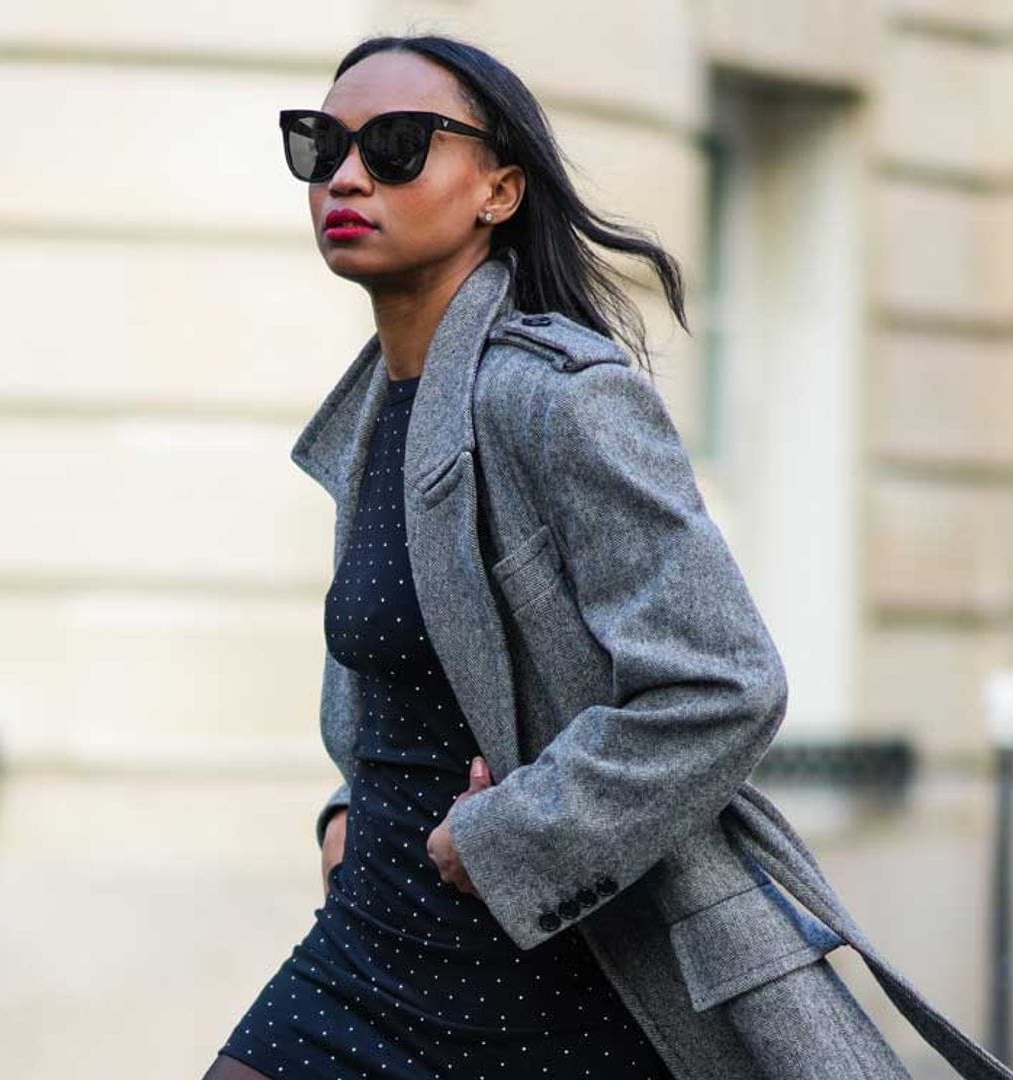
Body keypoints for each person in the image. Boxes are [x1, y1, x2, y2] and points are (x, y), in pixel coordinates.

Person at [203, 30, 1008, 1080]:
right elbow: (400, 670)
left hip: (545, 967)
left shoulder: (559, 399)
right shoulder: (374, 415)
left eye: (397, 145)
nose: (347, 176)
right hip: (370, 943)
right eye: (322, 145)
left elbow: (723, 683)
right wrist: (350, 811)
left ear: (498, 190)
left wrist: (504, 840)